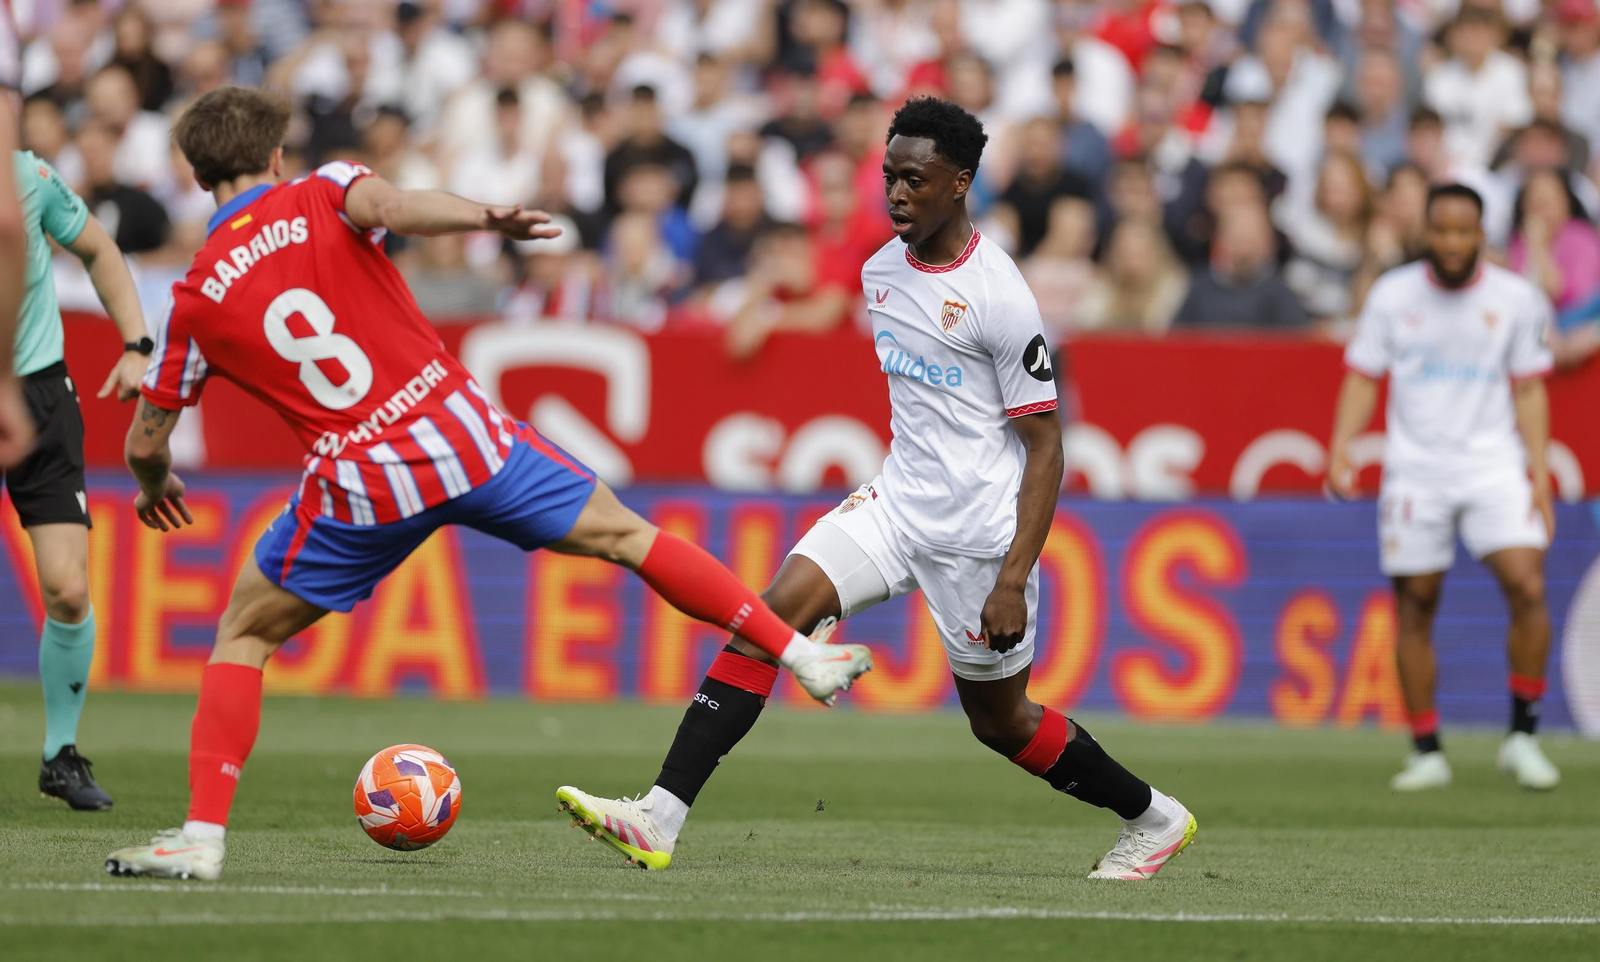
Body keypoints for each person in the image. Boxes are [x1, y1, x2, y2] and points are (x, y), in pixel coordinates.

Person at [101, 86, 873, 882]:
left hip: (363, 479)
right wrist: (483, 218)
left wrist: (154, 483)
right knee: (630, 537)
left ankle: (201, 836)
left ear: (197, 176)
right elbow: (396, 206)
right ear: (274, 156)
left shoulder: (192, 300)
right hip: (461, 435)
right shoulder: (322, 190)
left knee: (244, 635)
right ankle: (798, 652)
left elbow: (146, 441)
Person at [556, 97, 1197, 880]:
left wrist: (1012, 578)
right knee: (767, 621)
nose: (896, 193)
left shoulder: (1000, 294)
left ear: (959, 184)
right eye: (890, 177)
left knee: (1002, 724)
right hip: (895, 506)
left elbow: (1046, 446)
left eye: (915, 180)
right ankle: (659, 817)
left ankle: (1154, 818)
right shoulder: (879, 270)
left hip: (978, 538)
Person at [1327, 183, 1560, 793]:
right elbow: (1362, 376)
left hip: (1493, 466)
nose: (1452, 242)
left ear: (1482, 234)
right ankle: (1426, 749)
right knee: (1416, 603)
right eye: (1442, 230)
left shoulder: (1515, 298)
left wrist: (1538, 475)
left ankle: (1522, 737)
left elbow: (1530, 387)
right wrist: (1341, 446)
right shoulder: (1392, 294)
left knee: (1528, 585)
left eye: (1464, 231)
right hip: (1416, 471)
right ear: (1425, 232)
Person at [4, 146, 151, 810]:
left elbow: (99, 249)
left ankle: (60, 756)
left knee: (67, 589)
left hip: (39, 393)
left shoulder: (28, 175)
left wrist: (137, 344)